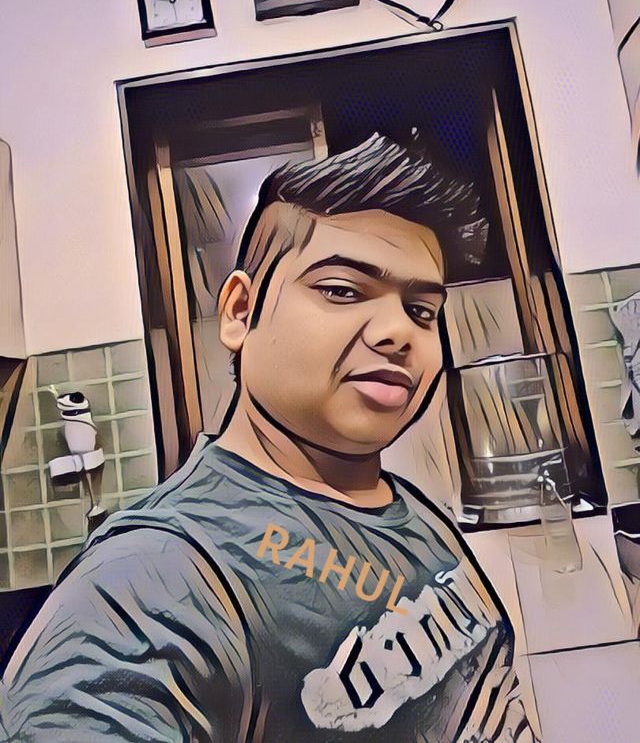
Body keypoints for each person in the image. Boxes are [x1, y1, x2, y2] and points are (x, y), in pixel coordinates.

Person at [0, 134, 537, 741]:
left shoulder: (410, 509)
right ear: (240, 312)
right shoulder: (153, 578)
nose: (399, 332)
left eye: (421, 311)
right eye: (342, 290)